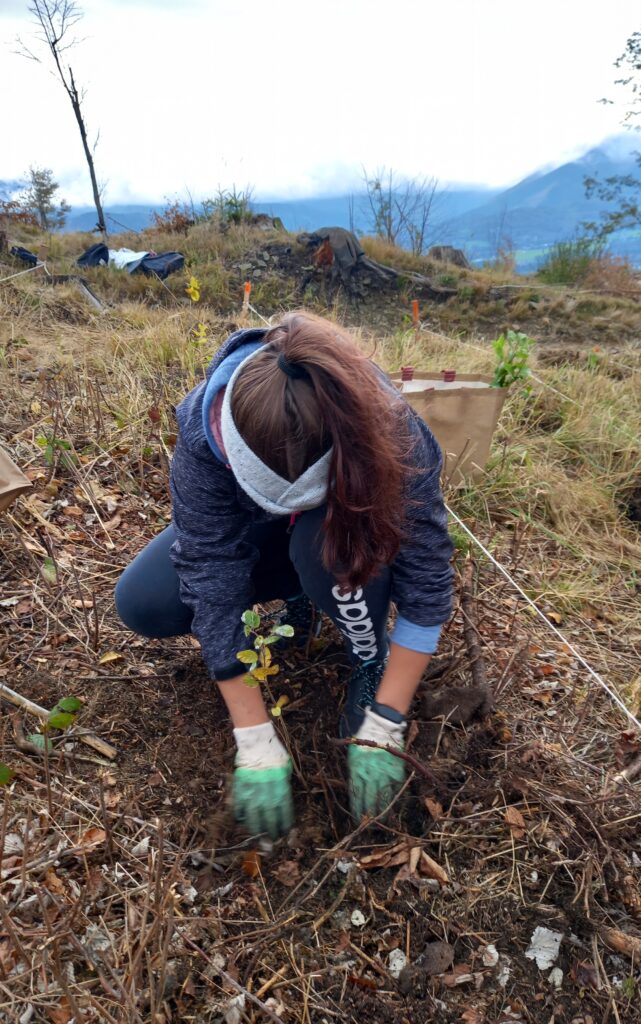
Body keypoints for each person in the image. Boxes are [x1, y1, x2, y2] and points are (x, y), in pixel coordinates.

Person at [115, 312, 453, 838]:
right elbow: (208, 565)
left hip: (339, 531)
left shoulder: (394, 432)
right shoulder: (203, 426)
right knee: (145, 601)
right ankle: (298, 594)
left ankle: (367, 654)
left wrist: (388, 717)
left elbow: (428, 585)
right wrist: (252, 733)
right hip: (261, 533)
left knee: (324, 550)